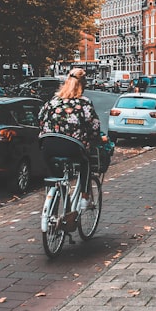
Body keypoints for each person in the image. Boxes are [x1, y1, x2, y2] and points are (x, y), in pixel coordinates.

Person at [38, 67, 103, 209]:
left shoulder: (52, 102)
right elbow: (94, 126)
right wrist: (95, 139)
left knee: (55, 177)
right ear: (83, 85)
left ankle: (53, 208)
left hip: (48, 146)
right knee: (85, 163)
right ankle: (85, 197)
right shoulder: (83, 103)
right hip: (72, 147)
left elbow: (40, 119)